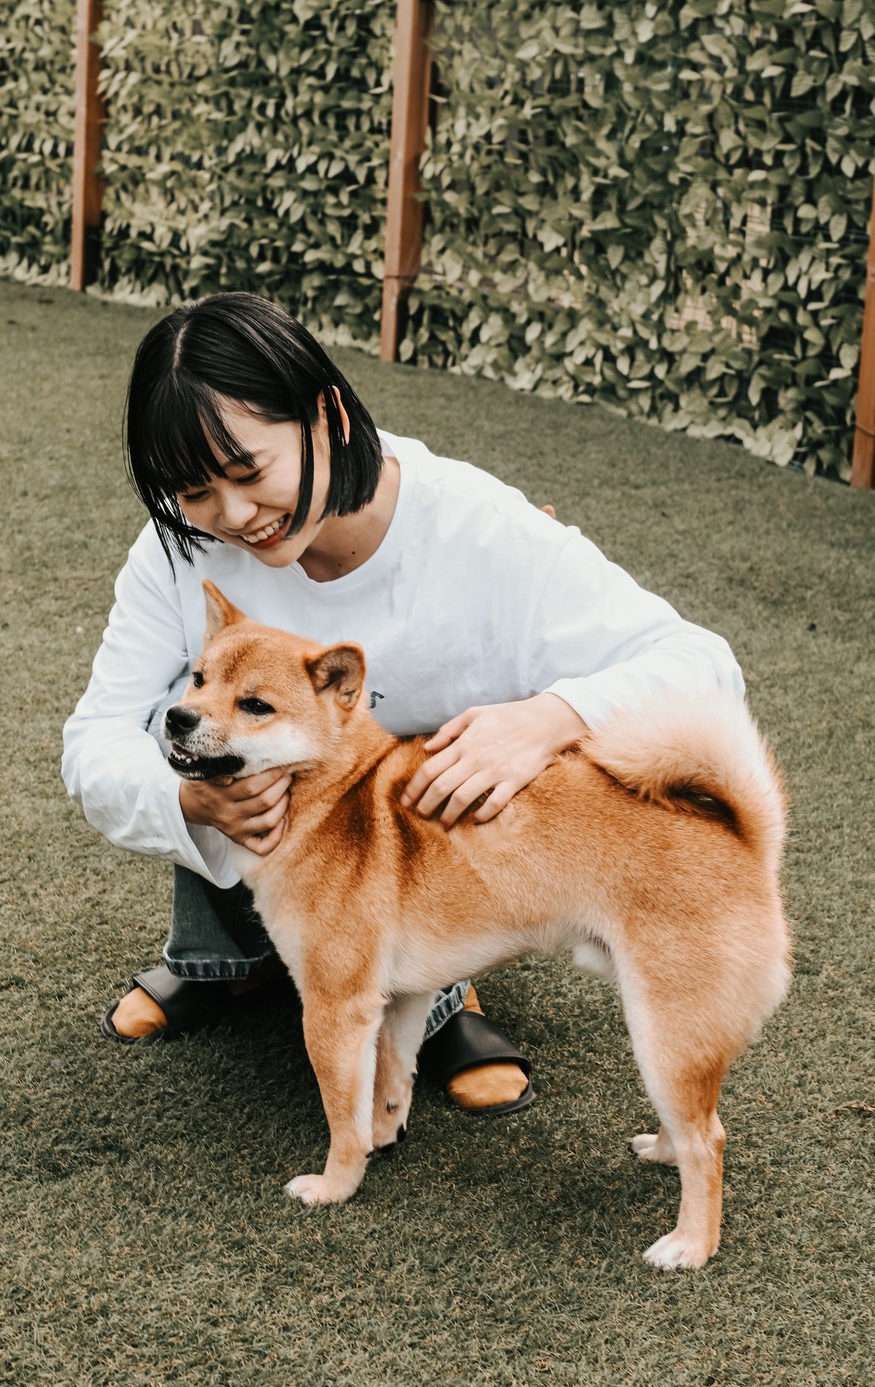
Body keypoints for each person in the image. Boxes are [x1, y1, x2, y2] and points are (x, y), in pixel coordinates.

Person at [62, 291, 744, 1116]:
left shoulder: (478, 527)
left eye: (248, 473)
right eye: (193, 489)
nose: (232, 516)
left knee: (406, 757)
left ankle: (442, 992)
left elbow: (702, 665)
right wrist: (188, 800)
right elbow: (96, 737)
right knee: (194, 721)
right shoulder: (177, 543)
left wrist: (549, 716)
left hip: (429, 851)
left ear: (325, 414)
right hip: (258, 837)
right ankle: (221, 955)